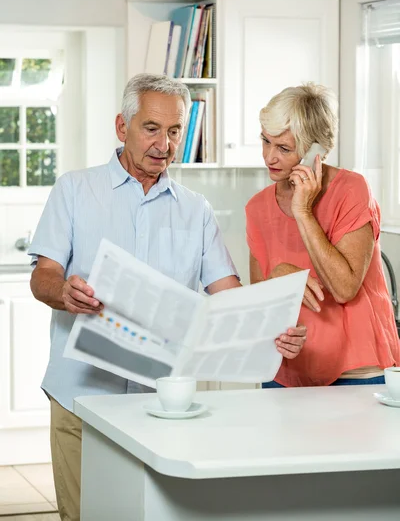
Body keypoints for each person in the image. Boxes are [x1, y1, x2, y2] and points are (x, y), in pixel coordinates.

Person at [29, 73, 306, 521]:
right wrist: (65, 292)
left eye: (175, 130)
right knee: (82, 515)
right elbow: (43, 276)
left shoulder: (195, 209)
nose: (164, 143)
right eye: (151, 128)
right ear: (123, 128)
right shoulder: (75, 189)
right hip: (80, 391)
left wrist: (273, 329)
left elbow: (227, 295)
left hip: (160, 402)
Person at [245, 82, 400, 389]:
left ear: (315, 151)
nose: (269, 157)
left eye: (284, 148)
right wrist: (279, 275)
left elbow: (344, 288)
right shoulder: (257, 208)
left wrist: (303, 211)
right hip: (287, 368)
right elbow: (259, 306)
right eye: (265, 141)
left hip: (356, 370)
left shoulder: (352, 190)